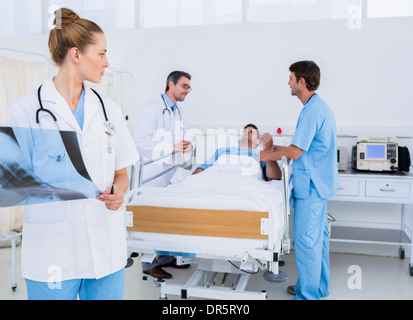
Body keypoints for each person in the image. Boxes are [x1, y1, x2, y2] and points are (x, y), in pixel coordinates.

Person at [6, 8, 139, 300]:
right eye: (102, 54)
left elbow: (121, 172)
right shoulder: (25, 110)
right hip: (52, 251)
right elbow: (10, 185)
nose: (107, 62)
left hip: (105, 249)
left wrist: (118, 191)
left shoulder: (109, 110)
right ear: (76, 55)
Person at [260, 61, 338, 300]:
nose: (288, 83)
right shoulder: (316, 107)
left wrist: (266, 155)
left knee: (306, 243)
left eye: (291, 78)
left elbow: (296, 153)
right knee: (319, 242)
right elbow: (301, 147)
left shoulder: (312, 111)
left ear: (301, 82)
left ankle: (307, 295)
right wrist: (276, 148)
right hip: (318, 185)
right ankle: (316, 287)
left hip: (311, 188)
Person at [133, 71, 194, 279]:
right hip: (152, 174)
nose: (187, 91)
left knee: (166, 218)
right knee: (151, 220)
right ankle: (149, 264)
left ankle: (166, 259)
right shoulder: (151, 109)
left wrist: (187, 142)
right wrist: (171, 146)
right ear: (171, 84)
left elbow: (183, 133)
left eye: (188, 87)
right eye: (184, 86)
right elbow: (140, 141)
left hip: (169, 172)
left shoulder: (176, 111)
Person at [193, 124, 281, 181]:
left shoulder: (261, 154)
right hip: (215, 178)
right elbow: (203, 168)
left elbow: (274, 178)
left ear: (258, 141)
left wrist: (269, 153)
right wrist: (191, 181)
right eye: (245, 131)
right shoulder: (222, 150)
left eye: (251, 132)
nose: (247, 133)